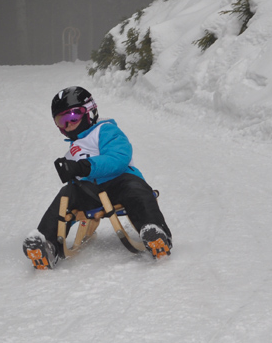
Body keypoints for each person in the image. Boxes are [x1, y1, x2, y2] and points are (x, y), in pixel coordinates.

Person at [23, 86, 172, 269]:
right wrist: (70, 173)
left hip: (120, 182)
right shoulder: (73, 149)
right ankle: (46, 243)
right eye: (61, 121)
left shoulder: (105, 130)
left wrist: (84, 166)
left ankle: (156, 233)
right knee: (66, 195)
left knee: (137, 192)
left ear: (89, 111)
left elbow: (119, 157)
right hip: (90, 192)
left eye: (72, 117)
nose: (68, 125)